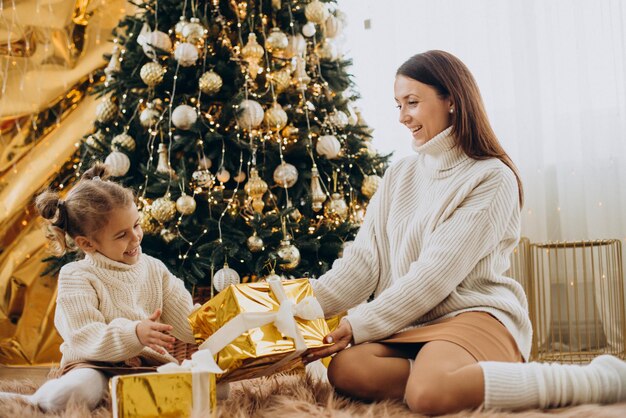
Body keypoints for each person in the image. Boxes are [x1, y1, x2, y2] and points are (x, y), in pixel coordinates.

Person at [305, 50, 626, 415]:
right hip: (414, 322)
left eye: (412, 102)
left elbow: (433, 277)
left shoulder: (491, 177)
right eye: (397, 105)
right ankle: (449, 375)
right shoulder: (400, 175)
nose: (403, 116)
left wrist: (358, 322)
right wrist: (298, 308)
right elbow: (362, 264)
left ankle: (602, 378)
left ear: (452, 100)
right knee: (347, 369)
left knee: (429, 395)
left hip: (473, 316)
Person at [0, 162, 196, 412]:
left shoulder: (154, 268)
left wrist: (210, 319)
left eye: (136, 225)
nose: (135, 237)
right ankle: (28, 402)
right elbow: (84, 335)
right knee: (72, 394)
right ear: (87, 244)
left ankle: (120, 396)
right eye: (121, 234)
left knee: (216, 387)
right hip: (94, 367)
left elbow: (186, 320)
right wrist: (134, 333)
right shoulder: (76, 275)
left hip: (148, 365)